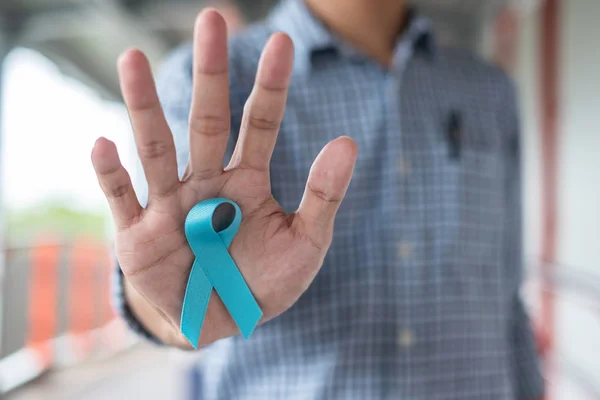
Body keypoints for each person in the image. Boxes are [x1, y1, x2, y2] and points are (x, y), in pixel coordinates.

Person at [91, 0, 544, 398]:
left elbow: (505, 290)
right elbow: (166, 299)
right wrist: (176, 308)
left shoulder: (489, 91)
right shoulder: (212, 79)